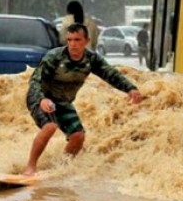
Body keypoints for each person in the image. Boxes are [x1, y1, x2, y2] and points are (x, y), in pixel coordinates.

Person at [24, 22, 143, 175]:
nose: (72, 44)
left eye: (77, 40)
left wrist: (130, 88)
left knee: (78, 137)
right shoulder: (54, 56)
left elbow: (111, 74)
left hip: (62, 102)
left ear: (86, 41)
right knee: (50, 126)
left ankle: (59, 167)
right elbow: (35, 81)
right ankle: (30, 167)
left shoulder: (91, 59)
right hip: (40, 97)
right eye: (70, 40)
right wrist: (41, 99)